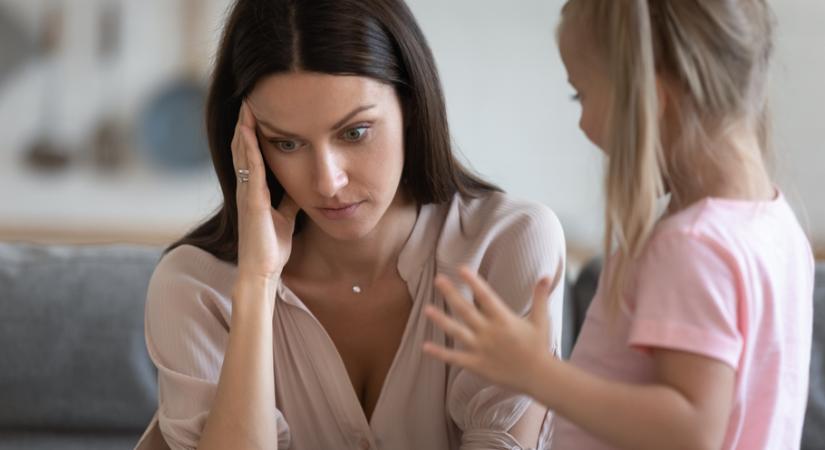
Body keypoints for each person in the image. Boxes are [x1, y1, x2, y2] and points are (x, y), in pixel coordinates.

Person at [134, 0, 566, 449]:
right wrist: (256, 285)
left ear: (412, 106)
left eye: (354, 132)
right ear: (249, 145)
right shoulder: (193, 286)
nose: (327, 181)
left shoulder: (509, 245)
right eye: (287, 143)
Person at [422, 1, 815, 449]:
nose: (583, 123)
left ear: (650, 98)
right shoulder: (778, 228)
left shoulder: (691, 246)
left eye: (582, 94)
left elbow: (691, 430)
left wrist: (538, 374)